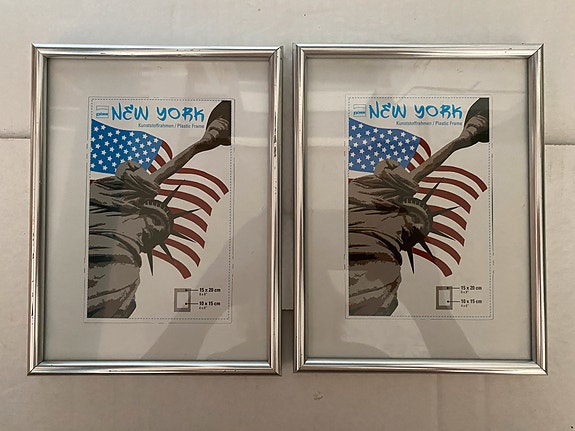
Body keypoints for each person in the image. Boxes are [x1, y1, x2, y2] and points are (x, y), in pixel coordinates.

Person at [87, 102, 231, 318]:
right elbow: (161, 174)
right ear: (141, 212)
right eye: (155, 221)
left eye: (157, 230)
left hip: (117, 273)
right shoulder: (115, 203)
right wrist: (198, 145)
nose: (153, 228)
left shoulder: (129, 278)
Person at [348, 98, 489, 316]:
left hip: (377, 270)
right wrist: (462, 139)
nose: (414, 225)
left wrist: (465, 137)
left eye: (417, 226)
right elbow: (422, 170)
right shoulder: (370, 194)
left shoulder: (386, 207)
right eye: (416, 218)